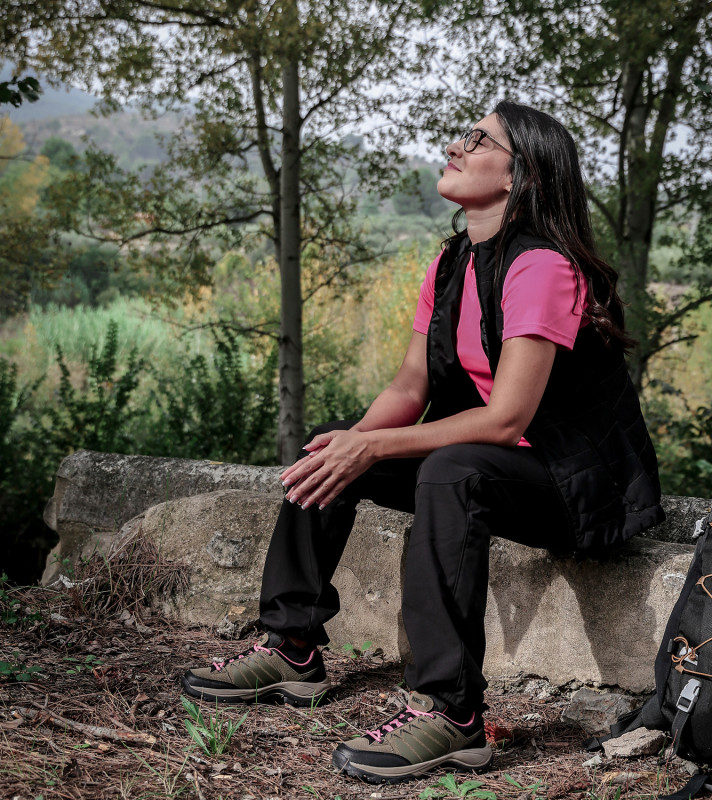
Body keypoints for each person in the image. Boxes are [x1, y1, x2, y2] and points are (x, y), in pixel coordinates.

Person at [182, 100, 664, 784]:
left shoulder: (542, 267)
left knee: (449, 469)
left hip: (575, 487)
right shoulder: (451, 264)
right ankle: (291, 646)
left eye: (479, 139)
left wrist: (377, 448)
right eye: (465, 133)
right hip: (492, 464)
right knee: (336, 451)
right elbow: (410, 387)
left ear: (519, 175)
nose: (458, 145)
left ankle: (452, 716)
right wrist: (353, 444)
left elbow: (506, 421)